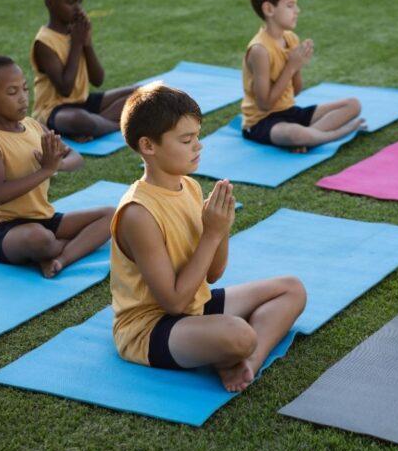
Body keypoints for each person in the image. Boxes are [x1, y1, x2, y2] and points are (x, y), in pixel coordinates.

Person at [111, 83, 306, 391]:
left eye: (197, 137)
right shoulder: (138, 213)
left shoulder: (189, 186)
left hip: (195, 305)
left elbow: (213, 274)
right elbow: (173, 302)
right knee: (240, 335)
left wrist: (221, 229)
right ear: (149, 146)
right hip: (151, 327)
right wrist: (212, 234)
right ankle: (233, 354)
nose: (198, 146)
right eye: (186, 140)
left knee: (292, 289)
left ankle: (245, 364)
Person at [0, 54, 114, 277]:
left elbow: (76, 158)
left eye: (24, 89)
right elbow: (0, 194)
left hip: (43, 218)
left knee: (111, 215)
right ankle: (69, 245)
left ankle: (60, 259)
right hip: (4, 229)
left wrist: (57, 165)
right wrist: (46, 170)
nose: (23, 98)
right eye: (12, 92)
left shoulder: (34, 126)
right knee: (39, 238)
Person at [241, 0, 364, 152]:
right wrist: (291, 66)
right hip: (262, 122)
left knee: (353, 104)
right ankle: (332, 135)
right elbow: (264, 104)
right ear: (269, 9)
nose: (297, 10)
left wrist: (297, 66)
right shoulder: (259, 50)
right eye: (290, 5)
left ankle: (307, 138)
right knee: (294, 133)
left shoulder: (290, 38)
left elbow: (296, 91)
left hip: (290, 112)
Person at [30, 0, 135, 141]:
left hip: (82, 103)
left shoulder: (77, 32)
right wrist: (77, 44)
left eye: (80, 1)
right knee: (79, 120)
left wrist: (87, 43)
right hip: (54, 110)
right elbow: (65, 89)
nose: (78, 8)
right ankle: (116, 125)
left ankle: (96, 125)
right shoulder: (44, 42)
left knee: (140, 94)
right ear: (50, 3)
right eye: (71, 2)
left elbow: (98, 79)